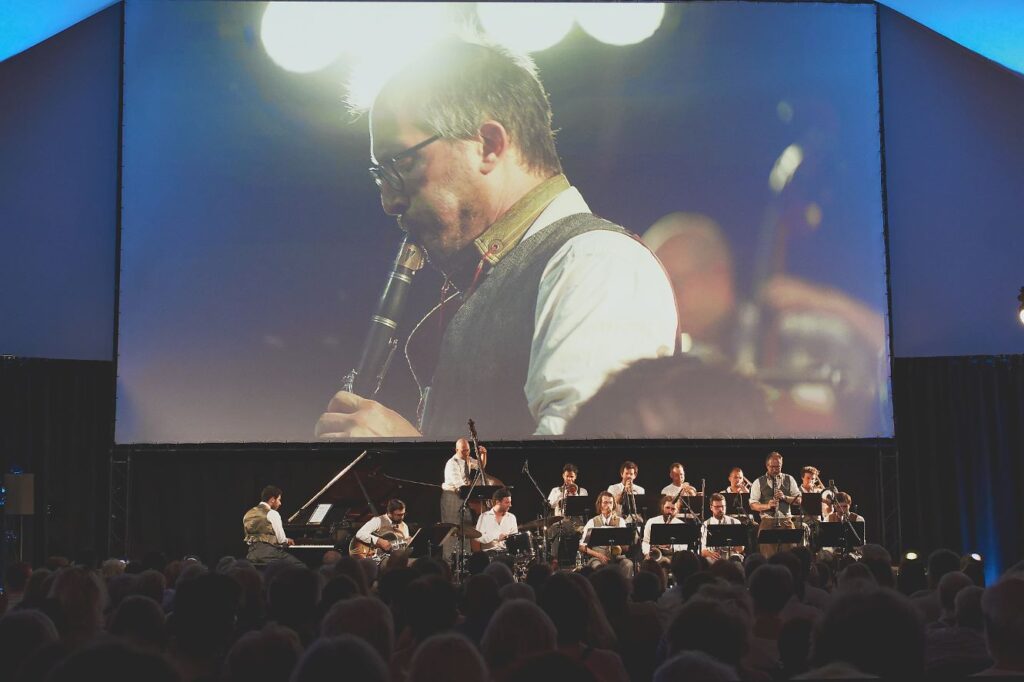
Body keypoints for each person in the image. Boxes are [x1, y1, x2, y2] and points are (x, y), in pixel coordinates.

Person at [315, 39, 677, 441]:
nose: (390, 201)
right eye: (380, 175)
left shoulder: (599, 264)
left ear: (488, 145)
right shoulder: (495, 279)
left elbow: (577, 487)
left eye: (402, 162)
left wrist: (409, 458)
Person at [748, 452, 802, 558]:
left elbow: (799, 500)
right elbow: (753, 505)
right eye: (772, 467)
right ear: (767, 465)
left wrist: (785, 497)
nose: (775, 469)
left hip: (786, 521)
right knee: (768, 557)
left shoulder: (789, 479)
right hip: (767, 522)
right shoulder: (758, 482)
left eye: (778, 466)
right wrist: (767, 506)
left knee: (789, 556)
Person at [440, 438, 487, 557]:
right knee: (452, 530)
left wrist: (483, 454)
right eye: (463, 451)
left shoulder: (468, 459)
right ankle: (450, 561)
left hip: (463, 496)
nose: (466, 453)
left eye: (468, 450)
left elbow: (480, 466)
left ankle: (465, 559)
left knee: (466, 529)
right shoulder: (452, 463)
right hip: (452, 496)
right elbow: (460, 485)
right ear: (456, 450)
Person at [242, 485, 304, 567]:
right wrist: (287, 540)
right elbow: (281, 539)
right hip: (270, 554)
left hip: (251, 554)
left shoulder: (248, 514)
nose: (280, 503)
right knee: (300, 566)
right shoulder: (272, 513)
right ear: (272, 500)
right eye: (279, 500)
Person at [580, 491, 633, 572]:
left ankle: (624, 584)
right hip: (597, 558)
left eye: (610, 503)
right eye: (605, 503)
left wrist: (624, 544)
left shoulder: (620, 521)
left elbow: (626, 547)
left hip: (616, 558)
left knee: (628, 564)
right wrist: (599, 555)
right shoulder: (592, 522)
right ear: (600, 505)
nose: (608, 506)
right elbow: (582, 546)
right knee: (597, 566)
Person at [642, 495, 689, 560]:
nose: (670, 511)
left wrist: (670, 546)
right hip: (654, 556)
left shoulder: (681, 524)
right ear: (662, 507)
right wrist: (647, 553)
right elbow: (645, 542)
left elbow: (684, 547)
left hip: (674, 557)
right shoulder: (651, 521)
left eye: (673, 509)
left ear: (677, 510)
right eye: (667, 508)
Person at [701, 493, 744, 561]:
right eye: (717, 507)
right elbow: (702, 550)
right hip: (714, 558)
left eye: (723, 506)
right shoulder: (705, 524)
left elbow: (741, 548)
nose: (721, 509)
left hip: (731, 556)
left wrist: (735, 549)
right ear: (711, 507)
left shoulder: (735, 522)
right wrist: (710, 554)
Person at [476, 488, 517, 553]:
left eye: (510, 502)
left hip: (507, 553)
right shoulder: (484, 517)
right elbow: (478, 537)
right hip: (489, 554)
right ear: (497, 502)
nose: (510, 505)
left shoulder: (512, 517)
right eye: (507, 502)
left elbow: (514, 539)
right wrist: (496, 536)